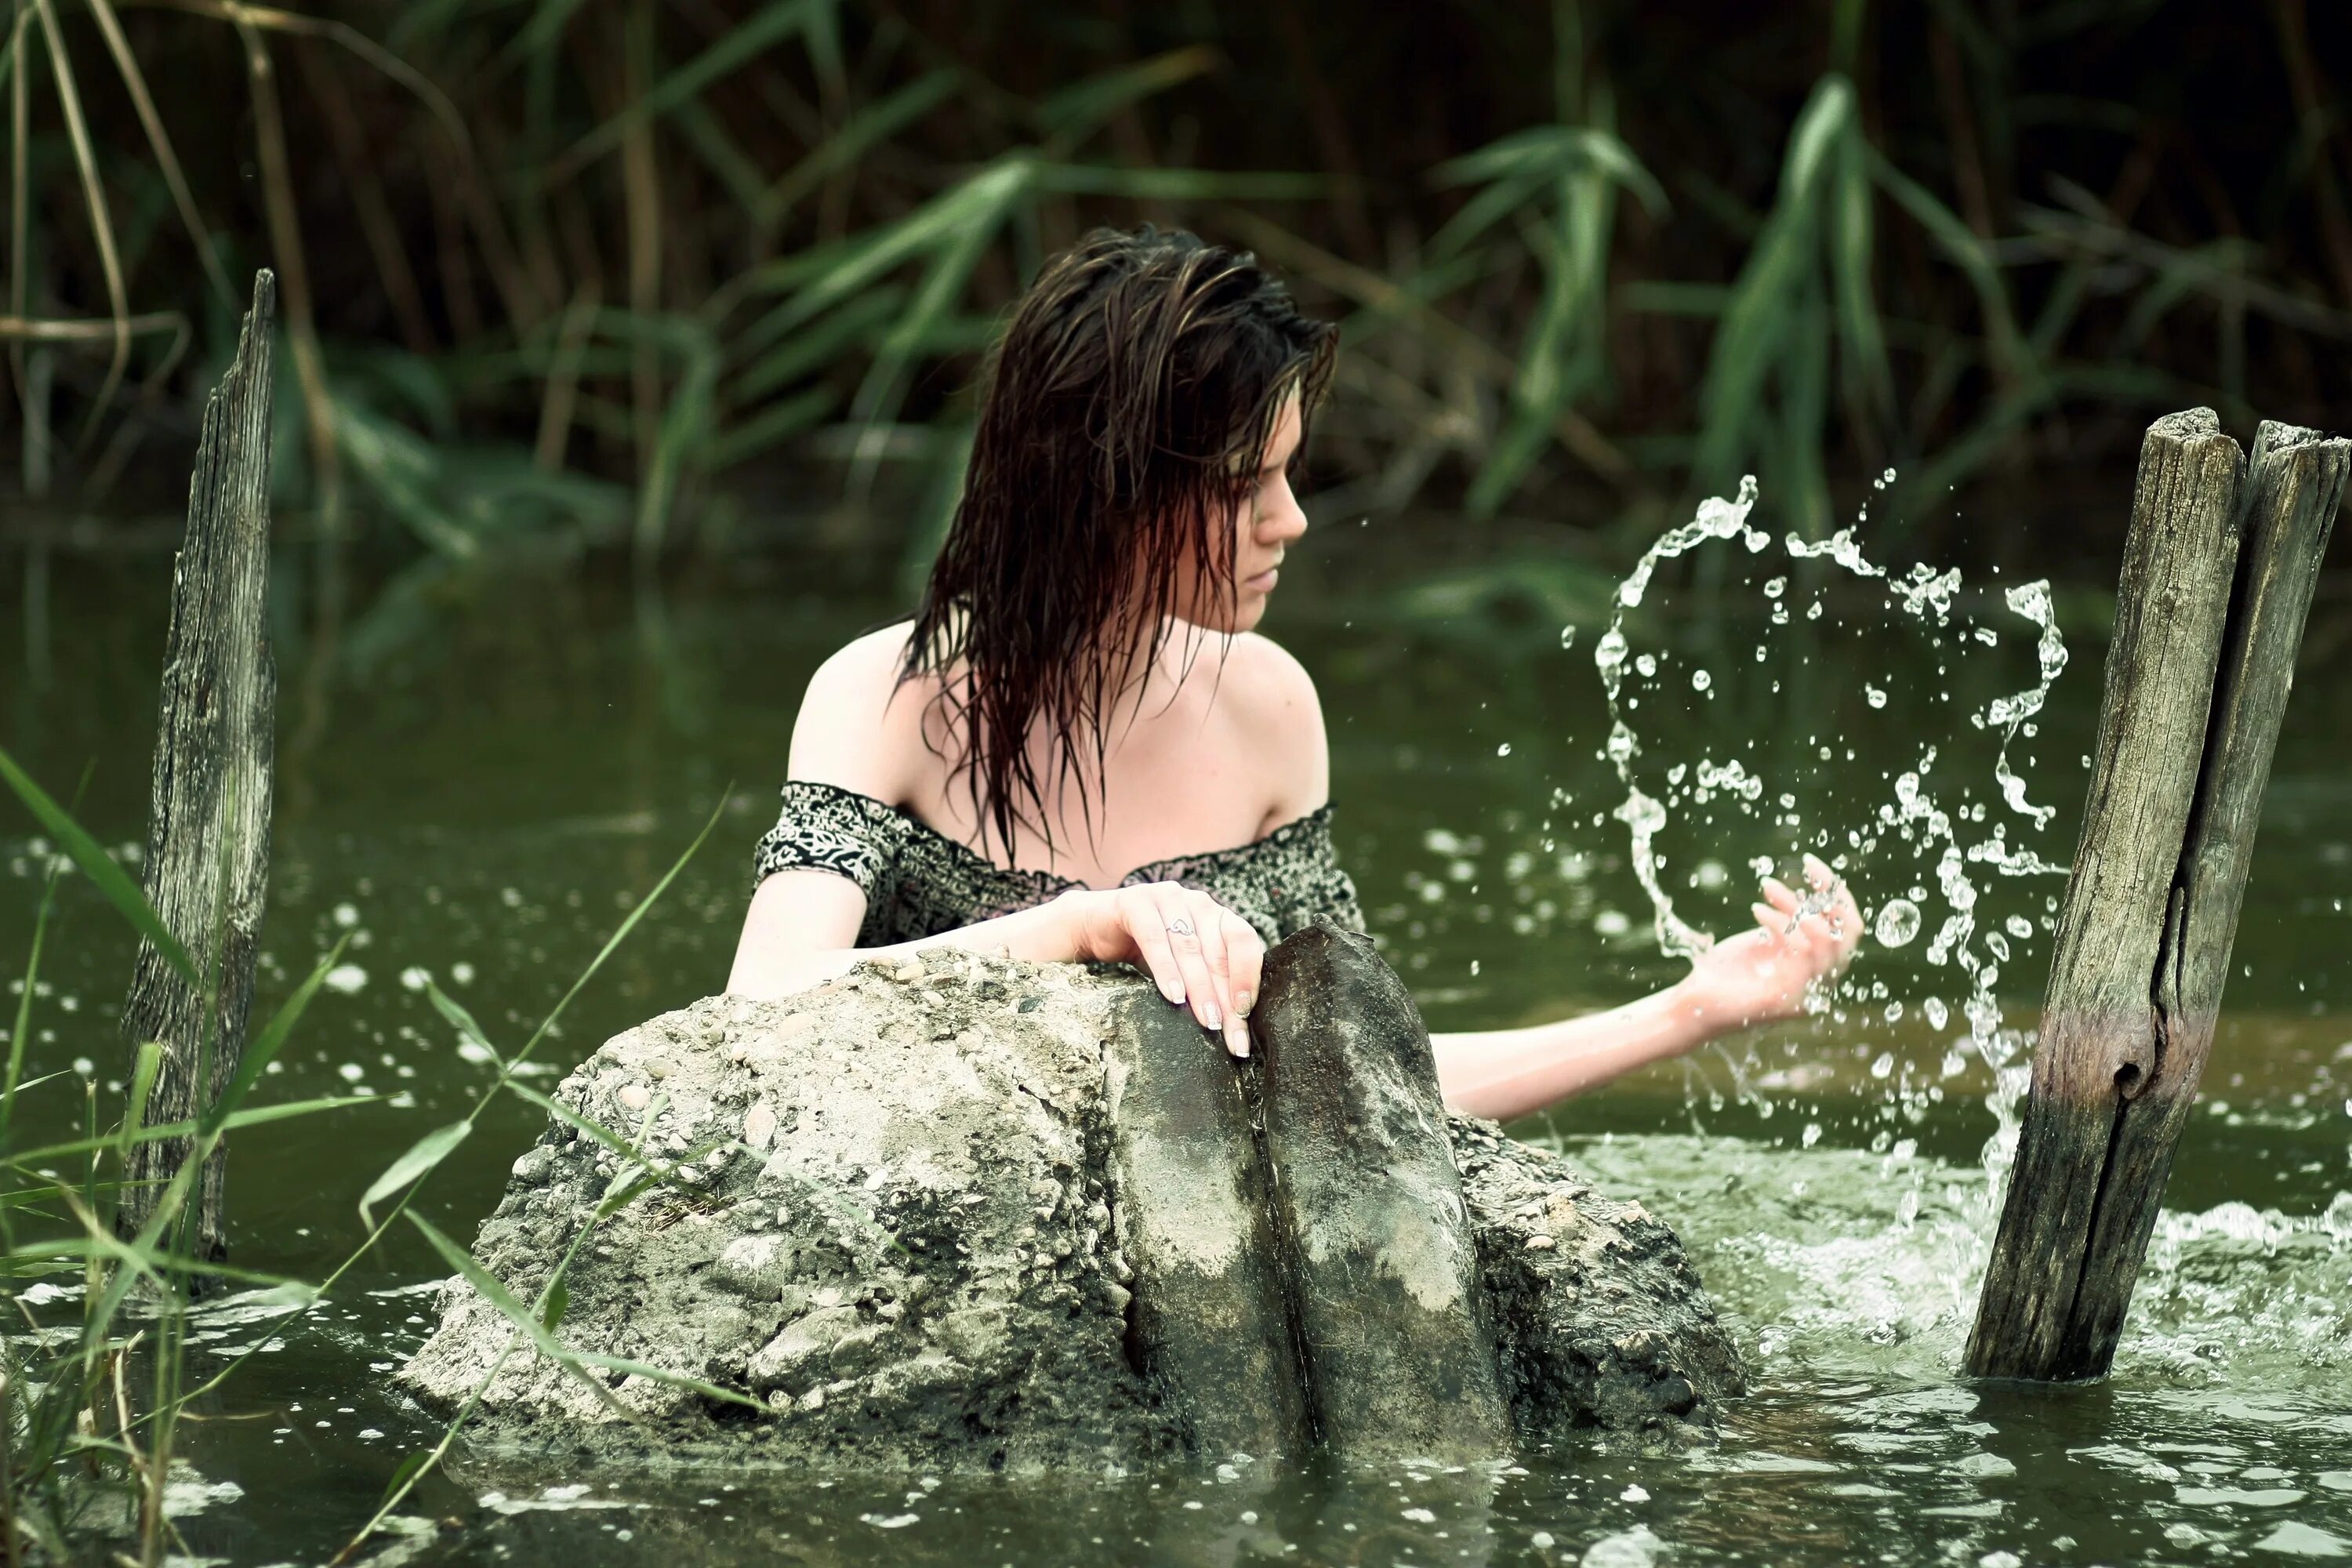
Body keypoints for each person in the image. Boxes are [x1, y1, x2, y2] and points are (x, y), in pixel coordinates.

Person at [727, 226, 1859, 1121]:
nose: (1291, 523)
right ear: (1099, 487)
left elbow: (1369, 1085)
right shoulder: (889, 694)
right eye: (1237, 489)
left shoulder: (1269, 705)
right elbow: (759, 1013)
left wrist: (1694, 1008)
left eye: (1288, 474)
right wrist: (1085, 928)